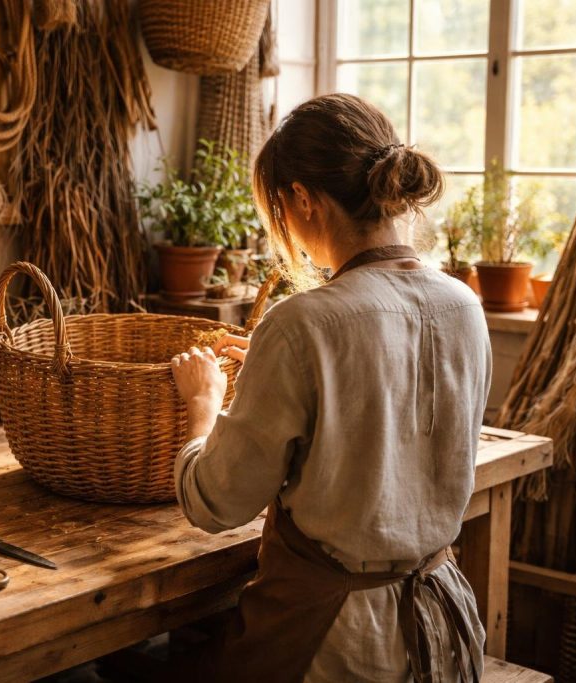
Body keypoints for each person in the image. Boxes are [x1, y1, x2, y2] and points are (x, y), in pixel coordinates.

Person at [169, 93, 490, 682]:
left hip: (336, 644)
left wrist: (203, 405)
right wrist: (279, 364)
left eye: (280, 210)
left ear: (301, 199)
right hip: (441, 629)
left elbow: (217, 503)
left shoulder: (303, 324)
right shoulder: (464, 304)